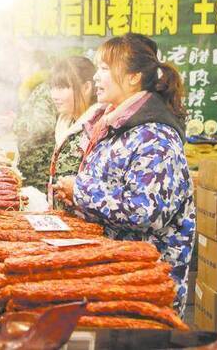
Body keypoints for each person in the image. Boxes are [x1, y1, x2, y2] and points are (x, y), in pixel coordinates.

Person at [53, 33, 195, 317]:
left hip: (145, 285)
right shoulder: (114, 123)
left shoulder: (155, 137)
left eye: (104, 68)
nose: (95, 77)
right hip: (115, 276)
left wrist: (80, 191)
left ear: (134, 77)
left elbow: (147, 212)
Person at [48, 56, 98, 210]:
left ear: (86, 88)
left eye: (62, 88)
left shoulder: (97, 128)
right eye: (53, 88)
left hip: (85, 225)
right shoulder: (64, 123)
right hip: (62, 220)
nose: (54, 96)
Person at [13, 51, 57, 192]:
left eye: (22, 65)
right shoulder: (36, 88)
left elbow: (43, 125)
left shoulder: (44, 90)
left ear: (35, 66)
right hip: (33, 168)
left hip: (39, 170)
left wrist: (14, 124)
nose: (19, 70)